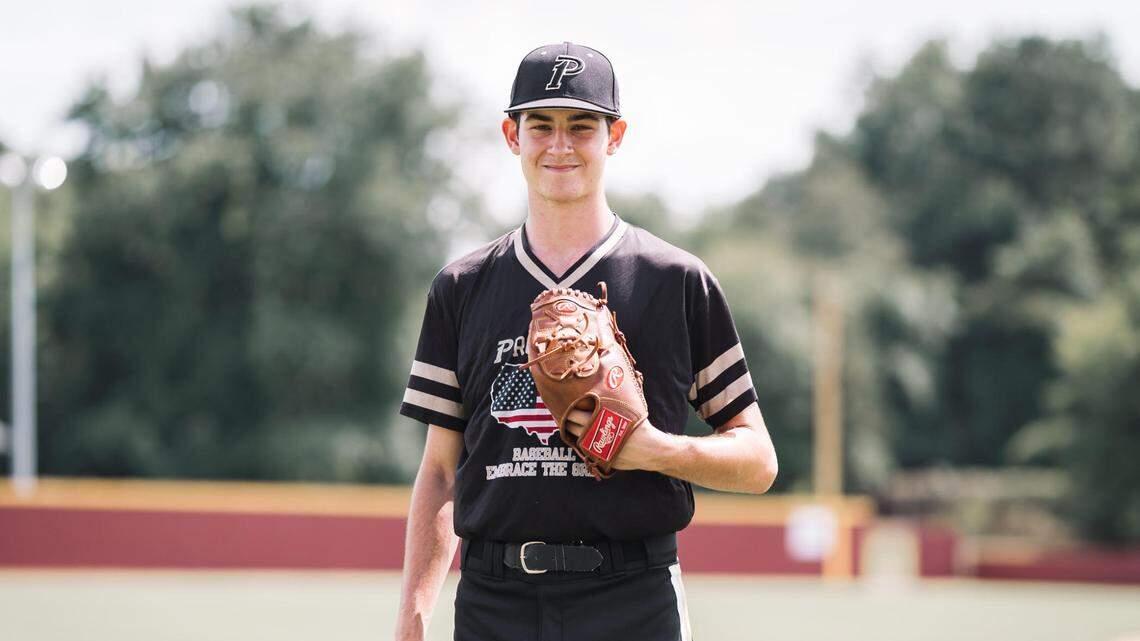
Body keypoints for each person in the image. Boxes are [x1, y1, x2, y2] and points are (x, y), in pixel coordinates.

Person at [394, 41, 778, 641]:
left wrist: (655, 451)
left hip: (631, 595)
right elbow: (441, 472)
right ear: (511, 135)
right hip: (495, 600)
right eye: (540, 125)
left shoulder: (674, 280)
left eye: (582, 126)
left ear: (615, 136)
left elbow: (758, 462)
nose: (560, 145)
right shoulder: (461, 287)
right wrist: (413, 616)